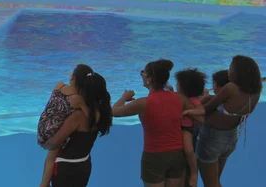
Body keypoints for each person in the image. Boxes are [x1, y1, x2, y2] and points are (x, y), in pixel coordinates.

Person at [112, 59, 204, 187]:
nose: (142, 77)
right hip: (177, 154)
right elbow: (200, 117)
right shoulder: (179, 98)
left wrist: (124, 98)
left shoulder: (142, 103)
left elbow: (113, 112)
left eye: (143, 74)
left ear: (149, 79)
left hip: (154, 157)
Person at [186, 55, 263, 187]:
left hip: (212, 138)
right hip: (231, 138)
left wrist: (187, 111)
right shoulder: (256, 92)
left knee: (210, 184)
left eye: (231, 68)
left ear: (239, 72)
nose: (229, 72)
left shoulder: (230, 88)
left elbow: (206, 109)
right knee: (215, 181)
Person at [42, 71, 113, 187]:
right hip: (84, 165)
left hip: (66, 170)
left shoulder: (78, 117)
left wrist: (45, 143)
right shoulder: (102, 112)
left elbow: (54, 143)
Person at [37, 64, 93, 187]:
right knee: (53, 155)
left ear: (72, 77)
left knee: (50, 156)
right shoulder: (77, 99)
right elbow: (89, 116)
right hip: (54, 132)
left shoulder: (59, 85)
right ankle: (44, 184)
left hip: (43, 127)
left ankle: (44, 184)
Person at [175, 69, 207, 187]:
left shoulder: (193, 100)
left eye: (178, 84)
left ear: (185, 88)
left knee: (189, 150)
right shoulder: (180, 97)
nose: (176, 85)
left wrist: (188, 111)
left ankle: (194, 173)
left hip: (186, 130)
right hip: (179, 129)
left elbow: (201, 111)